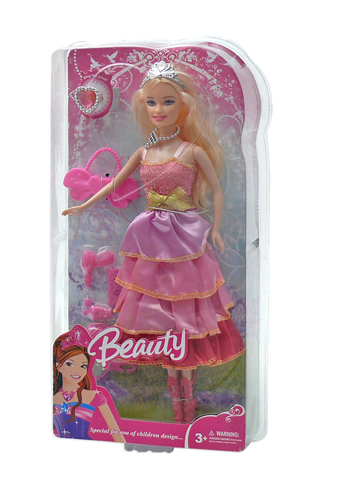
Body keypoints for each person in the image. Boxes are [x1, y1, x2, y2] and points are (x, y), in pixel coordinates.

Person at [63, 62, 245, 423]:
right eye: (151, 103)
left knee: (188, 311)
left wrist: (217, 229)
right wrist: (82, 205)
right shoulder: (144, 152)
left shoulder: (192, 151)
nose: (159, 109)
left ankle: (186, 400)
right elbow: (114, 184)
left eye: (167, 101)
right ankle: (174, 399)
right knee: (154, 308)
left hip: (185, 235)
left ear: (184, 105)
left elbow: (218, 190)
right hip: (149, 237)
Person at [53, 326, 125, 441]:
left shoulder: (93, 396)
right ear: (58, 366)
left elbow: (117, 434)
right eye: (70, 364)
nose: (77, 371)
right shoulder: (54, 396)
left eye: (83, 366)